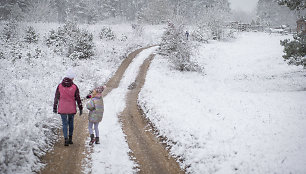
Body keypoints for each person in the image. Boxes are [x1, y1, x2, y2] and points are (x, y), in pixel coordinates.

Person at [53, 69, 83, 146]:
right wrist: (80, 108)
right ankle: (70, 139)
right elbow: (78, 98)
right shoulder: (74, 87)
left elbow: (56, 97)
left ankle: (65, 139)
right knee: (71, 123)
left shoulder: (59, 86)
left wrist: (55, 107)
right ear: (72, 77)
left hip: (62, 108)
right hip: (71, 108)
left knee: (64, 124)